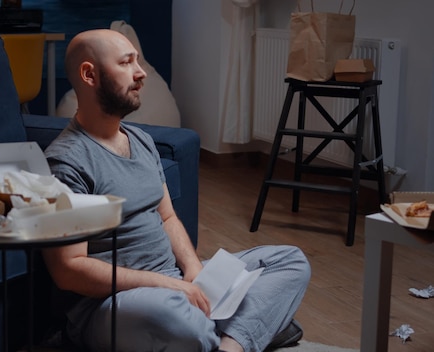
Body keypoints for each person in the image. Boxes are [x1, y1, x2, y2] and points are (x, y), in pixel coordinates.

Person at [42, 29, 311, 352]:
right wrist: (169, 285)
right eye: (127, 63)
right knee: (178, 320)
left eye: (137, 62)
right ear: (89, 74)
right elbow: (69, 270)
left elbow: (167, 217)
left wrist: (194, 271)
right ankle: (248, 328)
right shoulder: (65, 162)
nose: (140, 73)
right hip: (116, 302)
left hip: (174, 281)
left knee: (290, 261)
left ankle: (229, 345)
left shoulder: (141, 141)